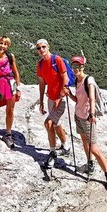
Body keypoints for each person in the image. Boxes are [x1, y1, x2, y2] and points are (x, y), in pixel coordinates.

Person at [67, 55, 107, 191]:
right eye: (74, 66)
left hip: (87, 117)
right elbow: (78, 100)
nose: (76, 69)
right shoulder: (77, 80)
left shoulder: (89, 80)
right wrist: (68, 93)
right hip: (78, 115)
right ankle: (90, 164)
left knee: (93, 147)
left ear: (83, 67)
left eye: (78, 66)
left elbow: (92, 98)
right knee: (84, 141)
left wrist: (92, 114)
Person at [35, 39, 71, 169]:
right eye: (38, 48)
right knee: (56, 123)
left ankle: (52, 152)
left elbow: (65, 78)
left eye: (43, 47)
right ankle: (65, 146)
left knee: (48, 123)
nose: (41, 50)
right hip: (50, 98)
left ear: (48, 47)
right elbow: (42, 83)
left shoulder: (57, 60)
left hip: (60, 99)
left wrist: (61, 96)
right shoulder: (40, 65)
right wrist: (41, 100)